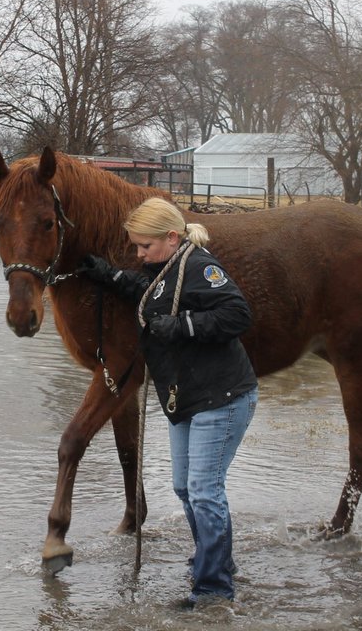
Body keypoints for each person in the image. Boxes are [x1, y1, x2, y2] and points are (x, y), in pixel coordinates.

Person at [82, 197, 258, 608]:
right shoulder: (168, 269)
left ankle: (214, 590)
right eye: (136, 248)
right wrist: (108, 276)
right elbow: (152, 294)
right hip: (188, 398)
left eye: (145, 246)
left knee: (203, 490)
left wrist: (183, 326)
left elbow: (238, 314)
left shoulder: (200, 267)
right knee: (185, 487)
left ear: (172, 237)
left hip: (222, 397)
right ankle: (216, 563)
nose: (139, 255)